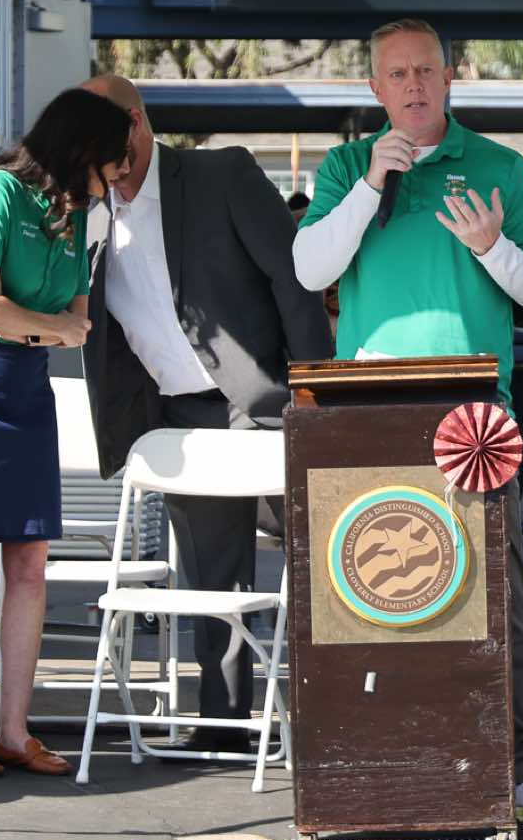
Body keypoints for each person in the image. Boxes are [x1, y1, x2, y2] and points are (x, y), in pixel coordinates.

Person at [292, 17, 523, 831]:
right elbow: (310, 269)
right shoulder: (347, 166)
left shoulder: (497, 166)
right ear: (375, 89)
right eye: (397, 73)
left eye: (425, 70)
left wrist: (492, 248)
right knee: (371, 595)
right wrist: (367, 189)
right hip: (366, 418)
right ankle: (380, 777)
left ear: (451, 78)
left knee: (497, 600)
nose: (413, 84)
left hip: (473, 419)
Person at [79, 75, 333, 753]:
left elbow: (294, 280)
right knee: (213, 577)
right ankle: (223, 726)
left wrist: (314, 390)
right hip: (179, 417)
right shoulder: (89, 216)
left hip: (269, 405)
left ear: (136, 124)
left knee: (325, 552)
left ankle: (344, 714)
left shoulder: (221, 174)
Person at [0, 87, 129, 779]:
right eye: (113, 163)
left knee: (31, 563)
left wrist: (46, 329)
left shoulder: (79, 215)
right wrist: (51, 328)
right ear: (83, 149)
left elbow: (78, 320)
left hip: (27, 384)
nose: (118, 177)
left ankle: (13, 730)